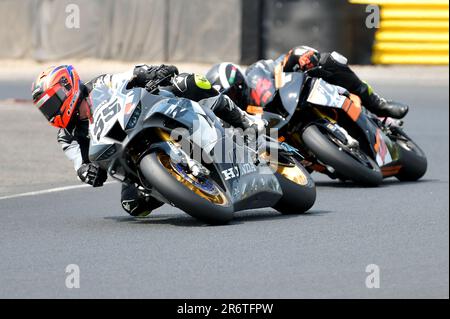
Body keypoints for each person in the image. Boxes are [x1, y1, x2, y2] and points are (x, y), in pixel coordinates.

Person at [31, 64, 264, 217]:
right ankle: (177, 188)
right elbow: (79, 163)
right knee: (132, 206)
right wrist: (87, 171)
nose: (51, 113)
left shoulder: (99, 85)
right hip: (128, 155)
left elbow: (127, 77)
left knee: (192, 81)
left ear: (67, 88)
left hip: (146, 116)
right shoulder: (68, 136)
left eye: (52, 104)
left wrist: (149, 72)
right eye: (46, 111)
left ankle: (244, 121)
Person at [206, 46, 409, 119]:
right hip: (282, 135)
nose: (231, 101)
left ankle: (377, 104)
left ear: (238, 83)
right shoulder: (237, 116)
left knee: (329, 62)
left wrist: (303, 56)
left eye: (231, 94)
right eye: (227, 99)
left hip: (296, 96)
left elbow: (284, 60)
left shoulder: (257, 73)